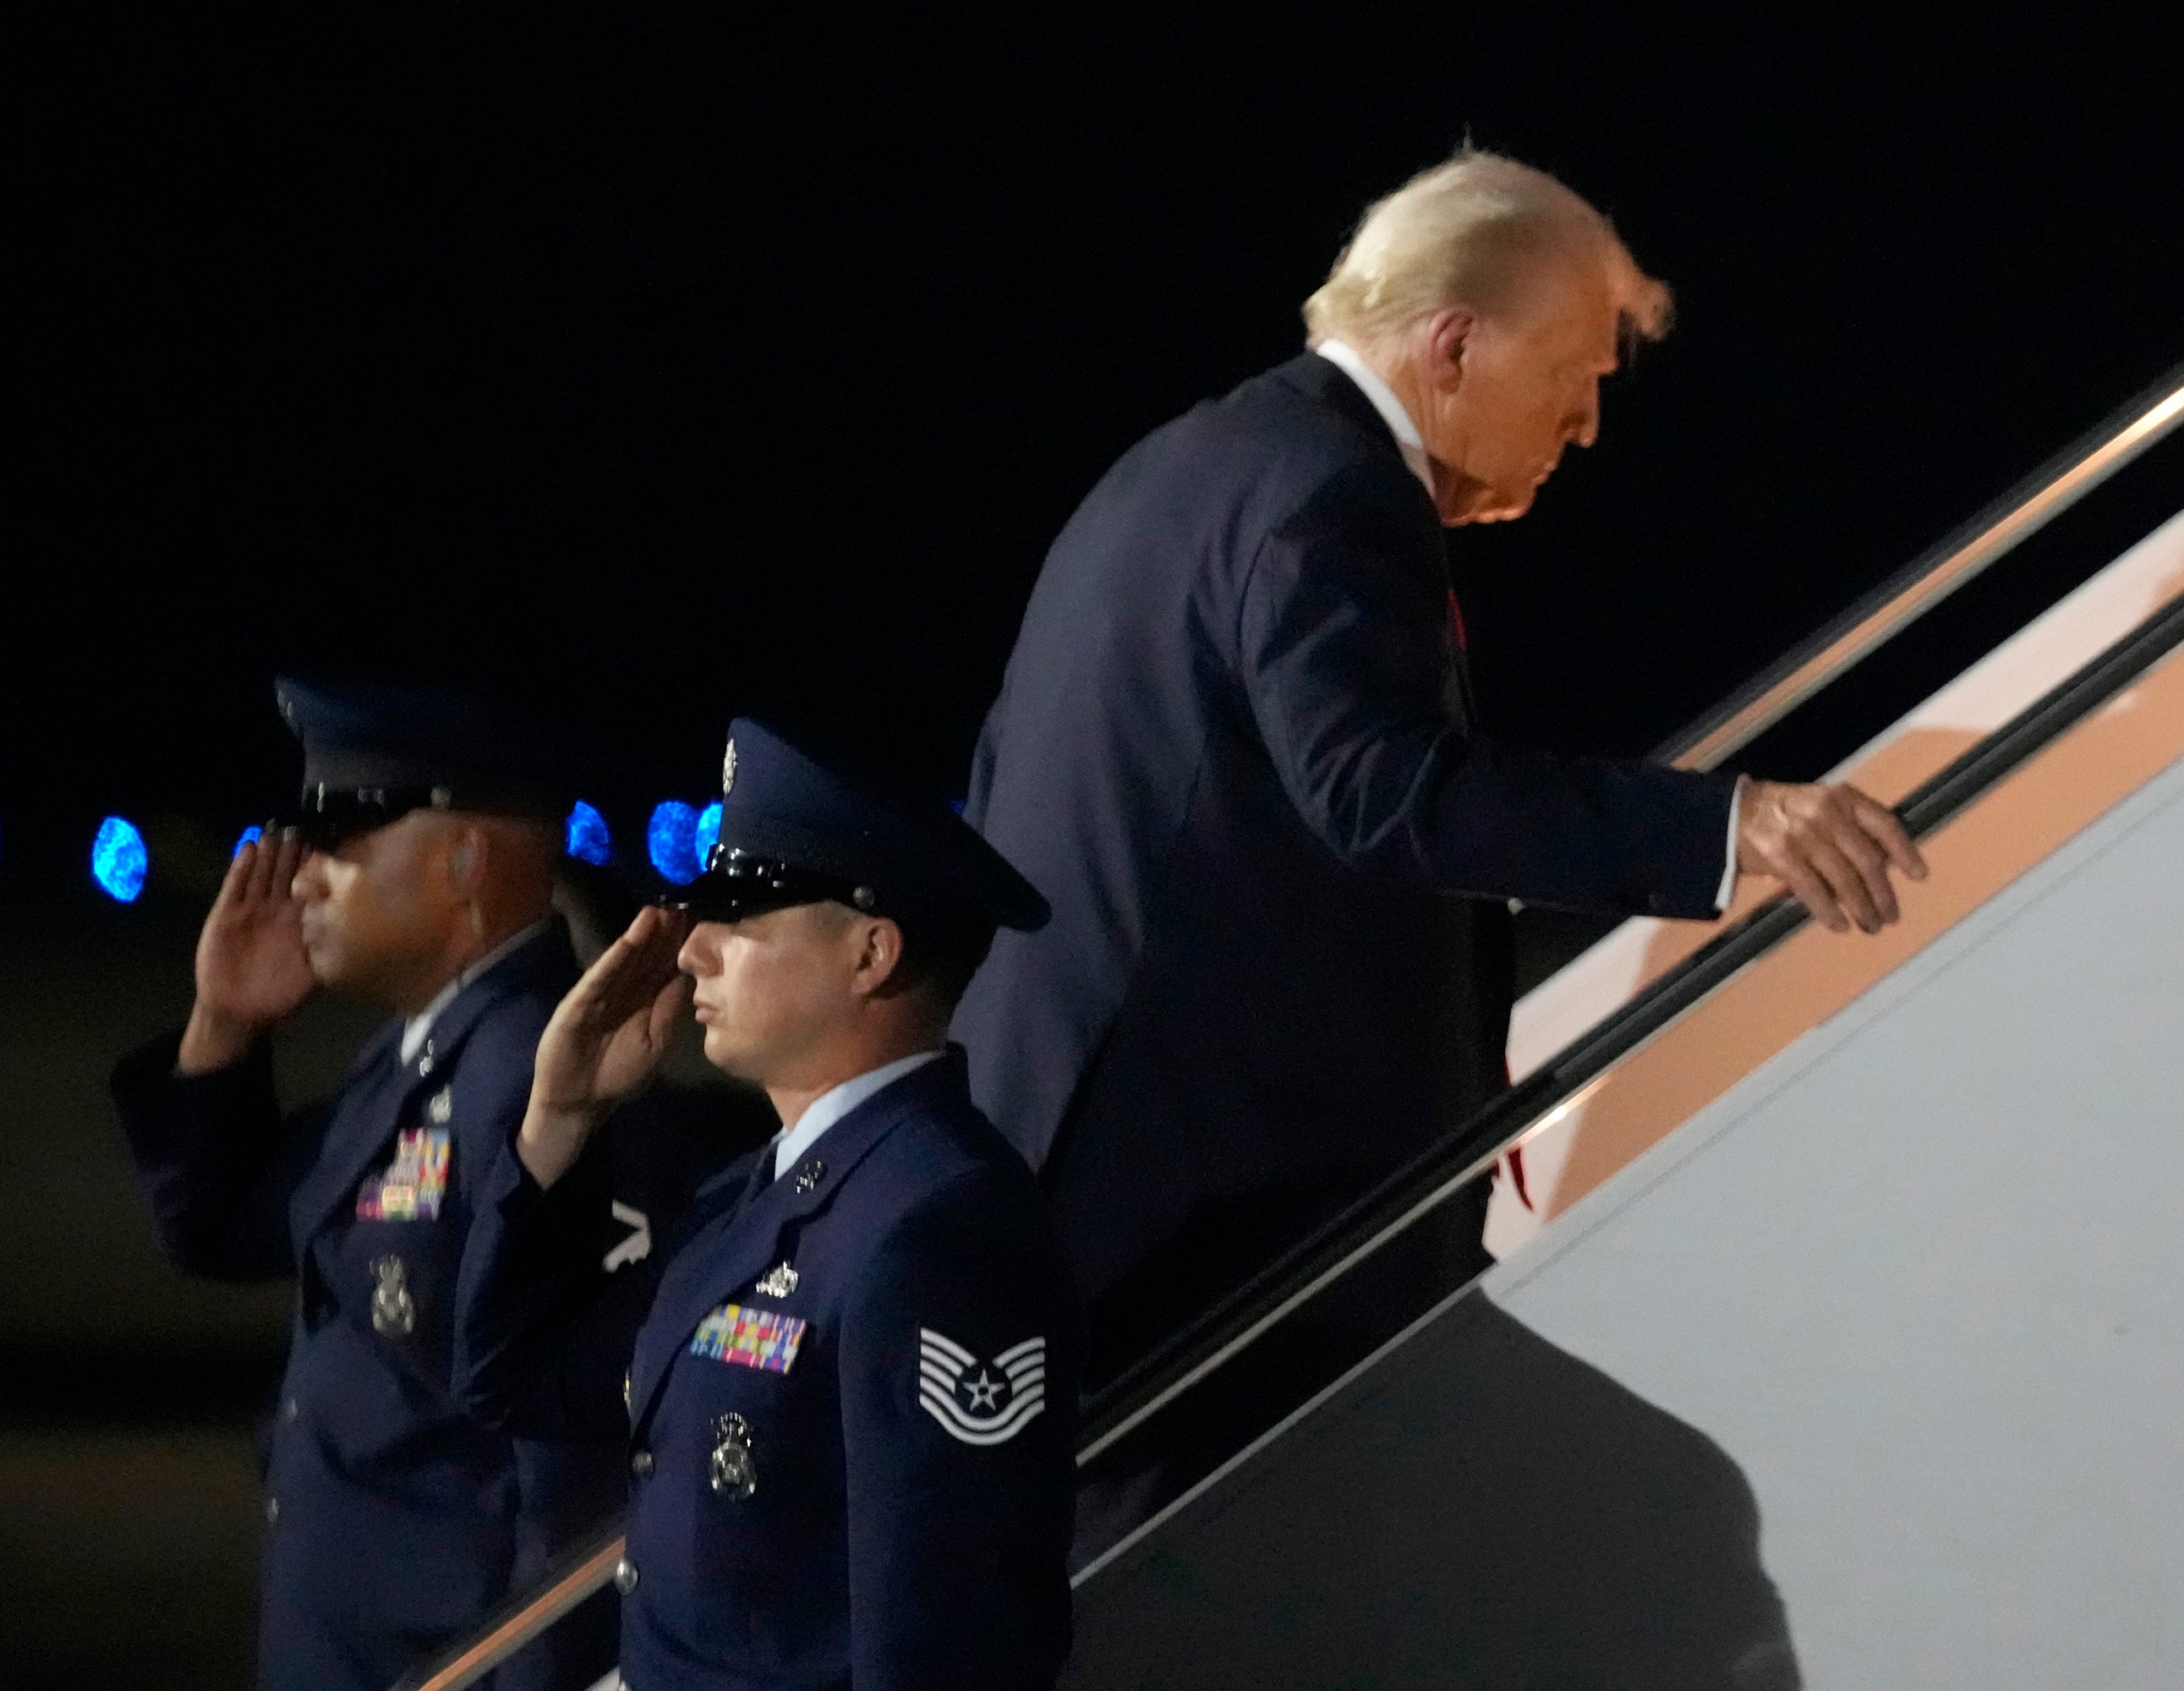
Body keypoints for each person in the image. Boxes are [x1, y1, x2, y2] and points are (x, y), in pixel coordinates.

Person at [955, 148, 1929, 1560]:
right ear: (1454, 343)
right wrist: (1729, 824)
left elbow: (1015, 795)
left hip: (1080, 1183)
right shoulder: (1330, 493)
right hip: (1212, 1237)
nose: (1586, 424)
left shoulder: (1182, 470)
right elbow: (1381, 790)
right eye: (1574, 374)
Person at [456, 718, 1079, 1690]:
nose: (693, 950)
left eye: (741, 914)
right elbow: (512, 1377)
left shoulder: (939, 1227)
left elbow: (944, 1652)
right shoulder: (749, 1201)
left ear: (871, 952)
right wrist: (560, 1114)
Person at [108, 679, 621, 1690]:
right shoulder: (414, 1054)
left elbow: (574, 1462)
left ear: (463, 861)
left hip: (447, 1660)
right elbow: (215, 1224)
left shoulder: (536, 1077)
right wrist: (225, 1024)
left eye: (339, 842)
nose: (303, 879)